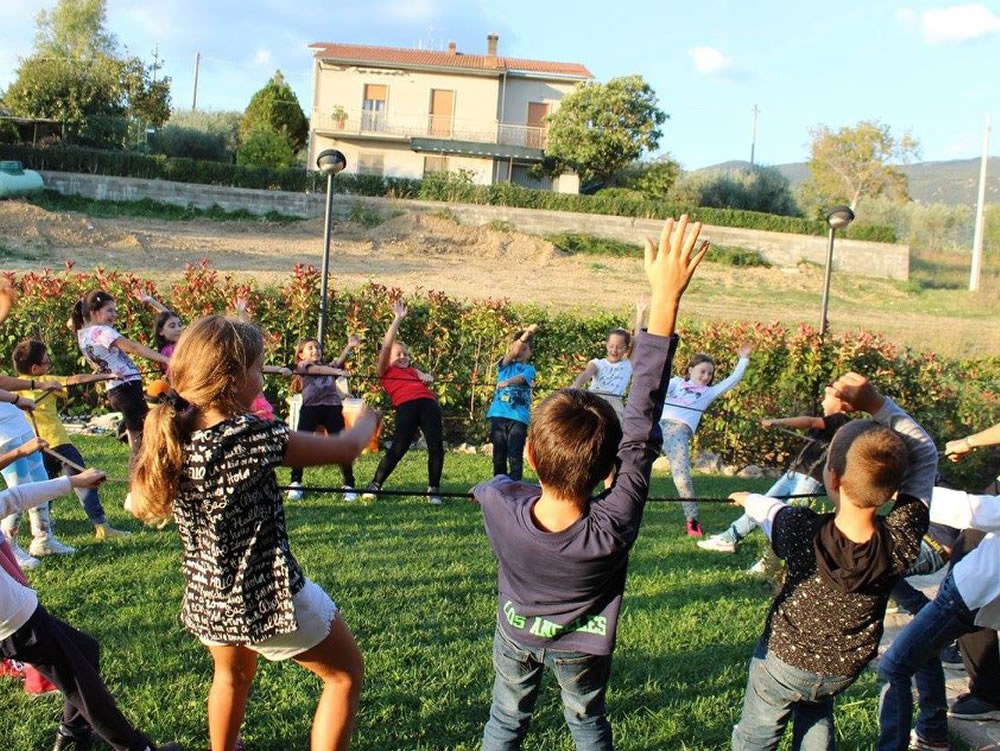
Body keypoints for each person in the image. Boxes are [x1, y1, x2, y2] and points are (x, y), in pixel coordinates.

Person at [474, 215, 709, 751]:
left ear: (529, 455)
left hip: (515, 635)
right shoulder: (615, 518)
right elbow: (644, 412)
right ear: (609, 473)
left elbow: (492, 489)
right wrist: (665, 297)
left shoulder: (498, 500)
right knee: (586, 723)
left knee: (505, 723)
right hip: (585, 647)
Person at [129, 315, 378, 751]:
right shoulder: (251, 435)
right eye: (259, 369)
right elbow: (344, 449)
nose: (263, 380)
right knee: (344, 674)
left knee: (232, 674)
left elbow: (137, 501)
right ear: (233, 379)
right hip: (266, 594)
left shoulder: (175, 434)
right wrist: (364, 420)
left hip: (209, 595)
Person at [728, 372, 937, 751]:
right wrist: (877, 404)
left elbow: (770, 511)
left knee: (756, 733)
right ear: (893, 489)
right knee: (815, 710)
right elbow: (924, 453)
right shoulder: (903, 539)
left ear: (833, 478)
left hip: (782, 663)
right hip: (842, 669)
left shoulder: (802, 531)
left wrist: (747, 498)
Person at [0, 466, 181, 751]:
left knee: (86, 649)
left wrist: (74, 481)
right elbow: (13, 498)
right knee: (83, 687)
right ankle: (136, 748)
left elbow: (13, 498)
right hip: (13, 619)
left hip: (15, 612)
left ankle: (73, 733)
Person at [877, 422, 1000, 750]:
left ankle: (933, 732)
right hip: (971, 596)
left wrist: (902, 491)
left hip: (963, 596)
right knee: (921, 646)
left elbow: (974, 511)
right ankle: (933, 734)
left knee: (895, 665)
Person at [697, 395, 847, 555]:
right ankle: (728, 538)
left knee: (792, 520)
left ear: (841, 402)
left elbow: (809, 421)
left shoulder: (840, 420)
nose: (823, 401)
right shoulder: (827, 423)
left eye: (828, 397)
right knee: (760, 504)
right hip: (795, 472)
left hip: (811, 478)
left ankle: (772, 560)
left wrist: (777, 421)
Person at [13, 338, 129, 540]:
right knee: (85, 481)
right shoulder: (45, 381)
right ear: (35, 368)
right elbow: (75, 379)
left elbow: (75, 379)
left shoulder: (19, 386)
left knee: (42, 487)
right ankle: (101, 526)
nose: (50, 364)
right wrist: (108, 375)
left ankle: (43, 530)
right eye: (47, 361)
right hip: (57, 443)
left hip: (33, 448)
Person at [659, 344, 751, 536]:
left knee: (682, 479)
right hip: (656, 426)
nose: (706, 377)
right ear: (690, 370)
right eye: (702, 371)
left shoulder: (708, 392)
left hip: (679, 432)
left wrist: (743, 359)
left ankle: (692, 520)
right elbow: (659, 384)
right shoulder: (677, 383)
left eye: (710, 373)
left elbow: (733, 380)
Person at [361, 301, 445, 505]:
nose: (403, 357)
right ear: (387, 358)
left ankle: (433, 489)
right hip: (406, 407)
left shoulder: (412, 370)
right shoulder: (385, 371)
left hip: (428, 405)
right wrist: (397, 319)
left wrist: (426, 376)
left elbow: (424, 374)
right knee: (399, 447)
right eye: (398, 354)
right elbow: (388, 344)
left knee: (436, 447)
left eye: (406, 354)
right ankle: (375, 484)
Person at [71, 290, 170, 458]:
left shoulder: (82, 334)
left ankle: (138, 471)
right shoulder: (101, 332)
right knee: (142, 439)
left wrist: (86, 303)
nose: (114, 315)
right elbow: (134, 347)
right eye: (109, 310)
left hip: (115, 389)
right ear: (94, 312)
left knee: (137, 434)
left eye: (115, 310)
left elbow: (71, 322)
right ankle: (139, 475)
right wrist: (167, 360)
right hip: (126, 388)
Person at [0, 377, 77, 567]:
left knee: (40, 479)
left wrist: (39, 385)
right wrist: (17, 400)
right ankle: (9, 548)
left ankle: (43, 539)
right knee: (19, 487)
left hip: (15, 420)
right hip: (2, 432)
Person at [287, 335, 360, 501]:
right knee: (301, 445)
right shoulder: (303, 366)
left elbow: (339, 361)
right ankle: (295, 483)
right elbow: (318, 370)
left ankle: (349, 485)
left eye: (318, 347)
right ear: (301, 355)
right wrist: (336, 371)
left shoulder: (329, 366)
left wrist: (349, 347)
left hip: (332, 409)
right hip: (310, 410)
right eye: (310, 348)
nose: (316, 350)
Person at [570, 300, 646, 421]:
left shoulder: (628, 364)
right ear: (606, 345)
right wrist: (575, 386)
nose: (614, 350)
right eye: (611, 346)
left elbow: (637, 341)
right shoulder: (597, 363)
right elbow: (586, 374)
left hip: (614, 404)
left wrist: (641, 313)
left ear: (626, 348)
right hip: (594, 399)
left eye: (620, 347)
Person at [486, 325, 539, 481]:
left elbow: (522, 379)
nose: (520, 352)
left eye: (525, 349)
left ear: (530, 352)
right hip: (499, 415)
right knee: (499, 454)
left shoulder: (529, 370)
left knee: (515, 454)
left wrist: (508, 382)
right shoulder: (504, 365)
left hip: (518, 418)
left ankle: (515, 484)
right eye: (519, 347)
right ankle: (499, 484)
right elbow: (514, 351)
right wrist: (527, 333)